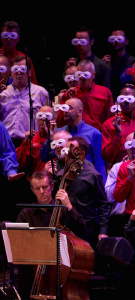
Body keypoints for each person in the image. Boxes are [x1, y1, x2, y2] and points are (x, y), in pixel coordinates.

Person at [15, 171, 85, 299]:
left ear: (52, 186)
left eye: (45, 187)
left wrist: (69, 206)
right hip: (32, 275)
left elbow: (83, 230)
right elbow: (20, 248)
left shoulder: (63, 209)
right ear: (32, 190)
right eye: (37, 188)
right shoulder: (26, 214)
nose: (42, 191)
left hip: (60, 274)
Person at [61, 136, 111, 246]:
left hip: (86, 228)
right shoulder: (62, 171)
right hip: (66, 226)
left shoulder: (92, 175)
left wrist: (103, 231)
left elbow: (103, 205)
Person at [0, 56, 48, 146]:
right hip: (6, 143)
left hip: (31, 143)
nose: (19, 72)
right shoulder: (3, 93)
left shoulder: (41, 93)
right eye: (15, 69)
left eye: (23, 69)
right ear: (11, 72)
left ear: (29, 72)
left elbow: (48, 121)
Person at [57, 97, 106, 181]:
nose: (65, 111)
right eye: (64, 108)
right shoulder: (59, 133)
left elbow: (98, 162)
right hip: (63, 179)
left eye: (70, 108)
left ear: (79, 111)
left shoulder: (93, 133)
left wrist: (102, 184)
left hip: (86, 179)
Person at [58, 59, 114, 131]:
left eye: (86, 74)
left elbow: (110, 119)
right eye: (79, 74)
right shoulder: (70, 94)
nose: (82, 77)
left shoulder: (104, 92)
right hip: (75, 136)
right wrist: (64, 100)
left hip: (97, 135)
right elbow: (59, 122)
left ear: (93, 75)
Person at [16, 106, 54, 173]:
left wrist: (51, 135)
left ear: (53, 119)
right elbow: (20, 162)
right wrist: (25, 142)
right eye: (40, 116)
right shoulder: (32, 137)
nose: (43, 119)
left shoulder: (59, 137)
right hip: (32, 176)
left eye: (47, 116)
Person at [102, 29, 135, 96]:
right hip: (109, 97)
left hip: (126, 97)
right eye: (113, 39)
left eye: (119, 39)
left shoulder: (132, 62)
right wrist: (103, 66)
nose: (116, 41)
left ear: (126, 41)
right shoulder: (106, 61)